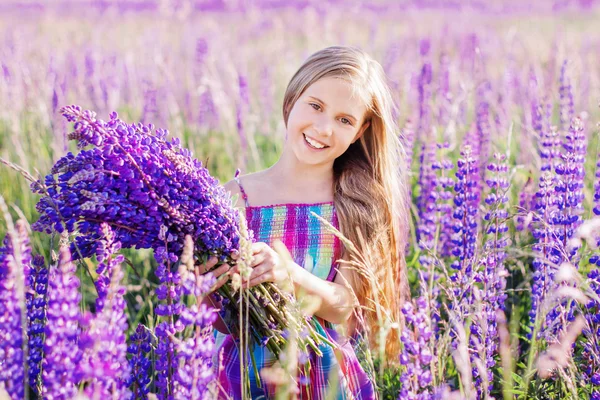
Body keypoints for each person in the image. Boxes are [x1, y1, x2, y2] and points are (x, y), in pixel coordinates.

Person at [203, 45, 410, 399]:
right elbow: (217, 317)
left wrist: (289, 275)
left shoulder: (355, 205)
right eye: (315, 106)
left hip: (322, 378)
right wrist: (206, 286)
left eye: (344, 120)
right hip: (243, 374)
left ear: (359, 132)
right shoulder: (237, 196)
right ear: (292, 98)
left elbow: (345, 305)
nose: (323, 128)